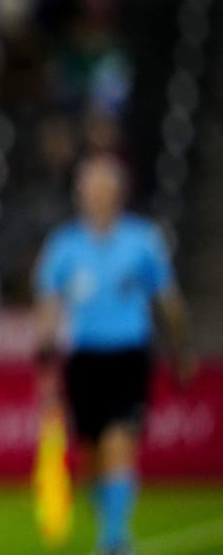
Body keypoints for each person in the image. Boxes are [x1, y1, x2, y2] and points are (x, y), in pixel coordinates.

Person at [34, 153, 195, 555]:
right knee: (90, 460)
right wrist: (46, 362)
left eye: (102, 188)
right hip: (85, 360)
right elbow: (49, 309)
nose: (94, 195)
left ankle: (114, 539)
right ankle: (111, 523)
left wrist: (181, 350)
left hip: (129, 355)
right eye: (88, 188)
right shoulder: (64, 246)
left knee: (119, 442)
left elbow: (168, 301)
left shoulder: (143, 241)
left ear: (118, 193)